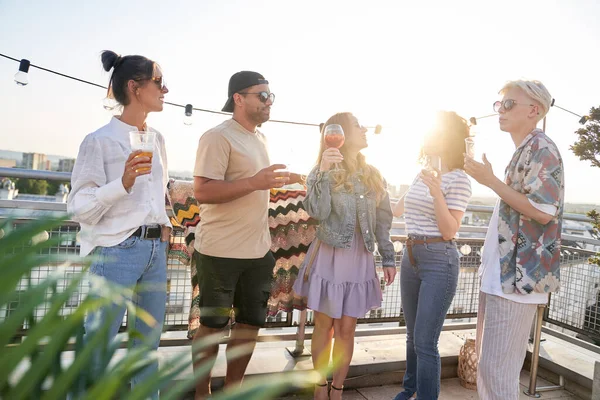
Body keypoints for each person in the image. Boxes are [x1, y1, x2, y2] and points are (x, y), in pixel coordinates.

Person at [68, 50, 171, 399]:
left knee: (147, 349)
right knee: (97, 349)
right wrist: (122, 184)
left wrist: (166, 225)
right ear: (134, 87)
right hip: (115, 252)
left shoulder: (156, 139)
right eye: (159, 82)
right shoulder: (98, 140)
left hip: (155, 251)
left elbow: (157, 194)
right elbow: (79, 206)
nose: (166, 90)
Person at [191, 71, 290, 399]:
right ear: (239, 98)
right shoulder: (217, 137)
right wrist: (256, 182)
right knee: (212, 328)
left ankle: (233, 390)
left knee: (250, 324)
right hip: (219, 252)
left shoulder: (259, 138)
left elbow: (254, 184)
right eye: (262, 96)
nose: (269, 102)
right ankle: (202, 393)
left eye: (271, 96)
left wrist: (269, 182)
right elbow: (203, 191)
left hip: (258, 252)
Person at [465, 79, 564, 400]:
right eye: (499, 105)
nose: (500, 112)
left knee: (497, 372)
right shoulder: (526, 149)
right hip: (503, 278)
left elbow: (544, 211)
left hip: (516, 281)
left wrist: (491, 180)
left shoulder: (543, 149)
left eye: (509, 105)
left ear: (534, 110)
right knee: (490, 370)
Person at [293, 112, 396, 400]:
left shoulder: (374, 174)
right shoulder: (320, 170)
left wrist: (388, 257)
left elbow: (383, 221)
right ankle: (319, 385)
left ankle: (337, 388)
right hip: (330, 255)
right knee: (324, 325)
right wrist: (324, 173)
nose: (365, 130)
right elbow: (318, 212)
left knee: (347, 328)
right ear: (338, 134)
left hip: (359, 257)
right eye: (358, 126)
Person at [392, 111, 472, 400]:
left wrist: (437, 193)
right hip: (411, 255)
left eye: (433, 134)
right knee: (412, 336)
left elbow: (450, 230)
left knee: (426, 341)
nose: (427, 139)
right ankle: (409, 391)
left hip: (440, 259)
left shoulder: (459, 180)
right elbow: (397, 210)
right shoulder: (422, 173)